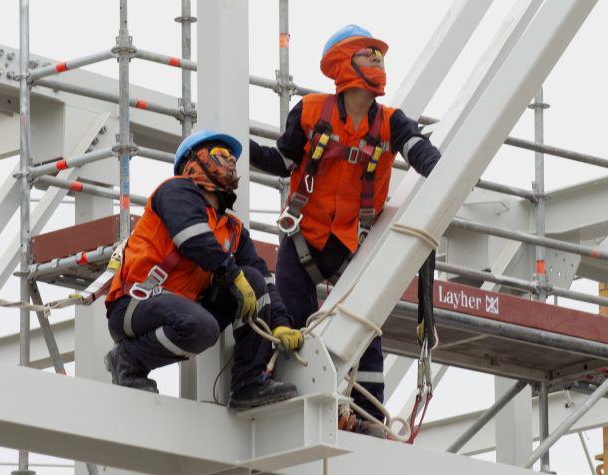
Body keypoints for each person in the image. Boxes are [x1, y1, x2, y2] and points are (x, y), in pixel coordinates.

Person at [250, 25, 440, 435]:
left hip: (353, 246)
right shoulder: (310, 112)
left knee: (366, 335)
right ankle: (276, 397)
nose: (378, 61)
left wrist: (444, 169)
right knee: (290, 322)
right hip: (303, 241)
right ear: (343, 63)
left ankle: (367, 418)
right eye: (368, 54)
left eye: (380, 55)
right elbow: (284, 161)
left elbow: (417, 149)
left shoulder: (391, 123)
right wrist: (237, 147)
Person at [104, 130, 304, 410]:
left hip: (181, 309)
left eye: (231, 157)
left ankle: (248, 383)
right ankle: (128, 360)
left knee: (255, 281)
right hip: (135, 305)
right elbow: (193, 239)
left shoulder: (233, 230)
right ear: (192, 163)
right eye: (220, 155)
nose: (230, 162)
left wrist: (281, 322)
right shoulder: (175, 190)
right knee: (202, 326)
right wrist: (233, 275)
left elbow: (265, 278)